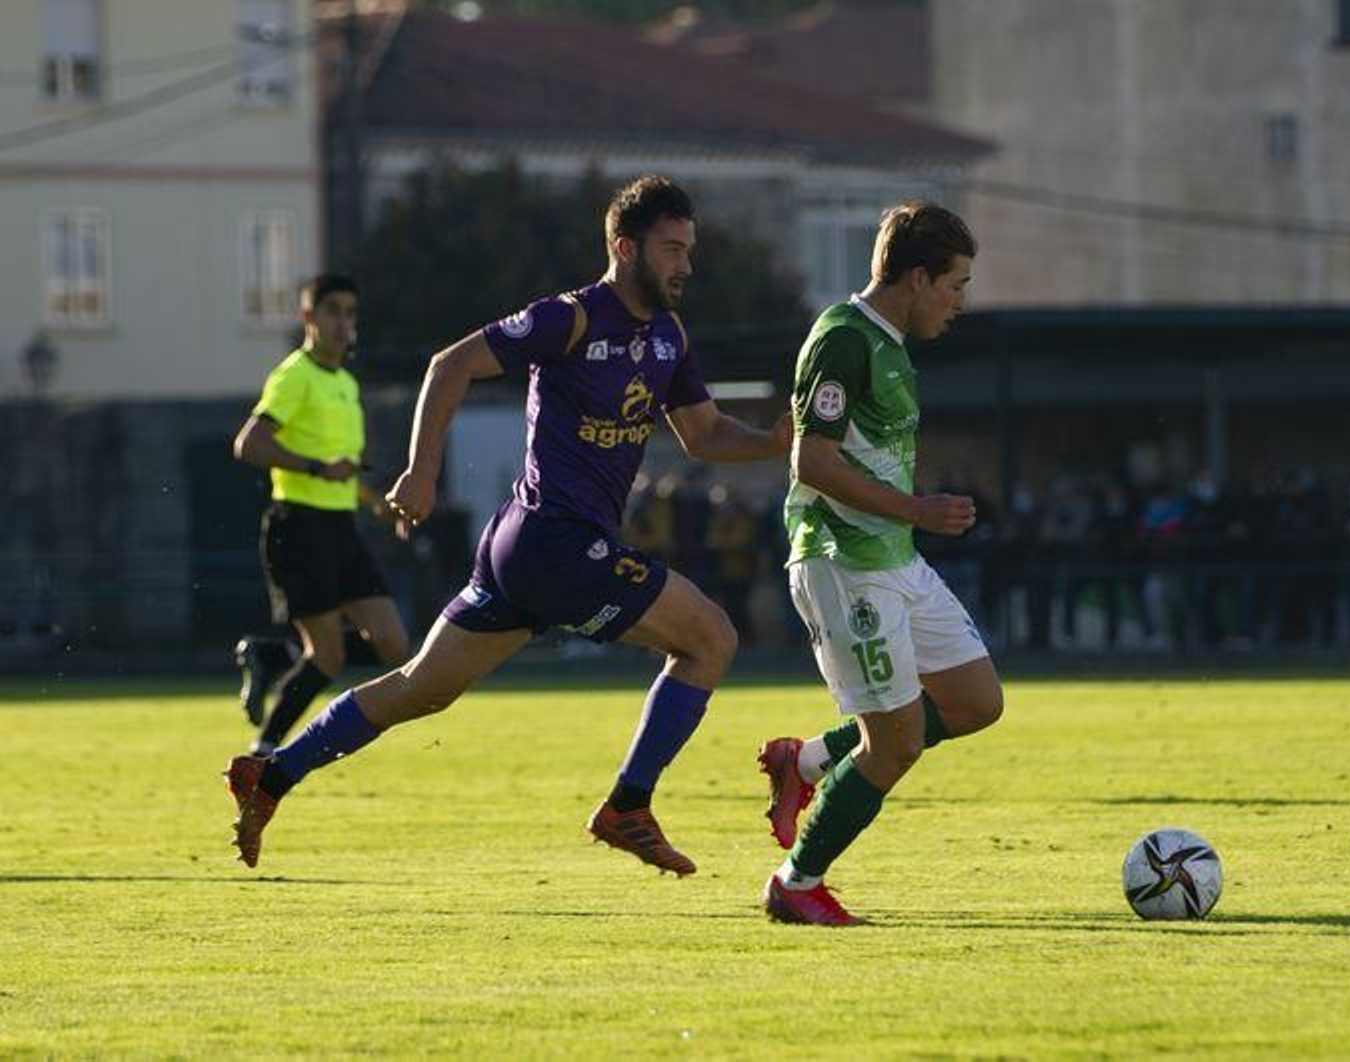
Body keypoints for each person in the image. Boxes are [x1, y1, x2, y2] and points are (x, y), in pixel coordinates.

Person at [224, 174, 791, 876]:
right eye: (672, 249)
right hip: (556, 541)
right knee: (711, 638)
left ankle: (272, 774)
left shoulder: (668, 337)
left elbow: (703, 435)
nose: (687, 265)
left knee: (420, 687)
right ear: (625, 248)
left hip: (526, 551)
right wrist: (422, 472)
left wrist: (772, 442)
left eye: (689, 250)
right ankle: (628, 805)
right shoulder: (571, 318)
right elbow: (450, 365)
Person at [755, 202, 1004, 926]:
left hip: (895, 556)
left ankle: (804, 761)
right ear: (917, 278)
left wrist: (910, 520)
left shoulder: (891, 346)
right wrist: (918, 509)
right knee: (893, 745)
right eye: (955, 285)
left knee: (975, 701)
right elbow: (811, 462)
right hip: (844, 563)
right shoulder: (843, 339)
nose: (960, 302)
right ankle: (796, 884)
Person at [231, 273, 410, 758]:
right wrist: (313, 466)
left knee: (394, 645)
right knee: (327, 657)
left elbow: (341, 470)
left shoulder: (346, 384)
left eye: (350, 313)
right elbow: (249, 444)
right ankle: (264, 749)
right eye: (332, 311)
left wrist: (378, 504)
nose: (342, 323)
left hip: (341, 529)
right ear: (308, 316)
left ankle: (273, 655)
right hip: (299, 527)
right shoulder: (294, 376)